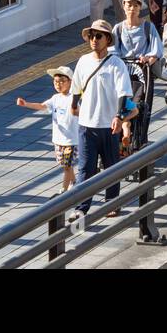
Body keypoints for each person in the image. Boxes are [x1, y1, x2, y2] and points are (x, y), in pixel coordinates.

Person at [70, 20, 138, 219]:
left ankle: (112, 203)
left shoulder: (116, 64)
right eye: (91, 36)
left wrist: (118, 116)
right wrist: (74, 105)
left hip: (108, 125)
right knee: (85, 168)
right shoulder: (83, 61)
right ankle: (81, 208)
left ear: (107, 39)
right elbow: (76, 87)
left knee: (111, 166)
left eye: (98, 36)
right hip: (87, 125)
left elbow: (123, 92)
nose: (94, 40)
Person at [112, 0, 162, 152]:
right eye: (129, 4)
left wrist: (148, 59)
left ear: (140, 8)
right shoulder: (118, 28)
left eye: (136, 5)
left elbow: (156, 50)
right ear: (124, 6)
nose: (132, 8)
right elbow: (113, 51)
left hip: (142, 71)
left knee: (141, 103)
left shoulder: (148, 27)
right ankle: (123, 131)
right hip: (122, 70)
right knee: (119, 101)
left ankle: (138, 135)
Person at [17, 68, 79, 194]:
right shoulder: (55, 98)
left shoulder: (75, 98)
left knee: (67, 165)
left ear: (71, 82)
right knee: (66, 165)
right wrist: (26, 104)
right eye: (56, 81)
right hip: (58, 139)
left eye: (62, 81)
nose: (58, 84)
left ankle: (64, 190)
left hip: (72, 139)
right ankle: (74, 181)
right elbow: (42, 106)